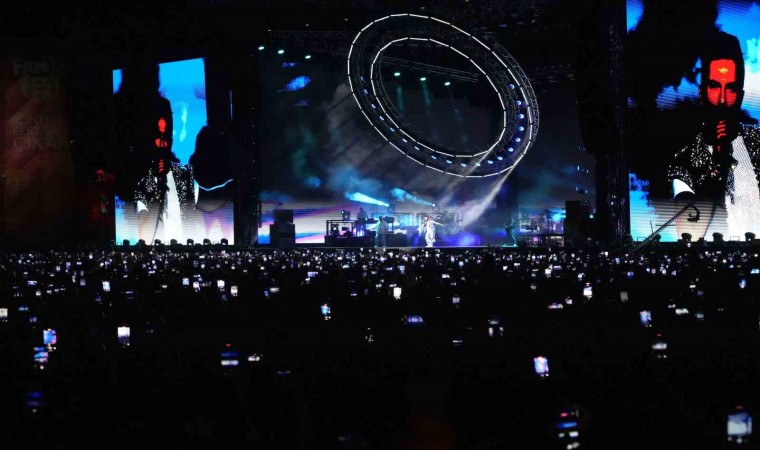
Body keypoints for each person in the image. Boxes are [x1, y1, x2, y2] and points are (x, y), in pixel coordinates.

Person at [667, 31, 760, 240]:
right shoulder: (684, 160)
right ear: (701, 93)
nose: (722, 100)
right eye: (715, 87)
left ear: (740, 97)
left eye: (731, 89)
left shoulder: (756, 144)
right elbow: (689, 231)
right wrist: (718, 164)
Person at [113, 62, 196, 244]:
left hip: (143, 170)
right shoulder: (141, 106)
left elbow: (165, 139)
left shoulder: (158, 105)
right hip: (135, 172)